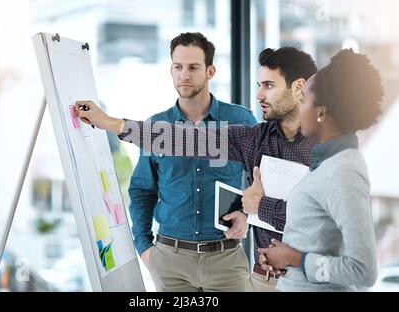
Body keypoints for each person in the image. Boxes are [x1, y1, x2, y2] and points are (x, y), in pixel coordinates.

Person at [74, 46, 318, 292]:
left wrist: (259, 206)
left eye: (268, 85)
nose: (259, 95)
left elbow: (326, 222)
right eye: (259, 85)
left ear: (298, 87)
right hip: (262, 280)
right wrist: (110, 122)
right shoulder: (253, 138)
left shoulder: (328, 146)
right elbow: (180, 139)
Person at [125, 32, 258, 291]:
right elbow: (142, 191)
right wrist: (145, 248)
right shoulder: (156, 127)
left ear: (210, 71)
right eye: (178, 67)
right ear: (171, 70)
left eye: (193, 67)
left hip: (226, 261)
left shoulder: (240, 121)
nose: (184, 74)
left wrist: (245, 214)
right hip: (170, 262)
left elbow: (262, 180)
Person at [257, 49, 382, 291]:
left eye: (303, 101)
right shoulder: (328, 162)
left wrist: (295, 259)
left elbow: (363, 271)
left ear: (322, 112)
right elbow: (321, 243)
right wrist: (284, 261)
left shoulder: (344, 171)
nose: (298, 107)